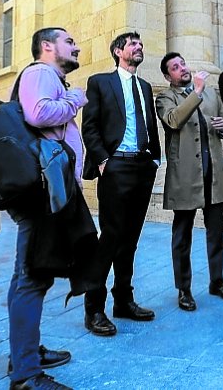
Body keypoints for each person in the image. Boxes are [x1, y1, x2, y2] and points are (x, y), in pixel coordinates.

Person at [10, 27, 84, 390]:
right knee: (32, 277)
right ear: (47, 46)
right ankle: (25, 375)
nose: (76, 46)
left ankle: (24, 352)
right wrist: (75, 101)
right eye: (69, 42)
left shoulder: (46, 76)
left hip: (46, 190)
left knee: (27, 274)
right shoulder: (40, 72)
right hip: (42, 193)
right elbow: (38, 114)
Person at [80, 32, 161, 336]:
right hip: (116, 167)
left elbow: (150, 125)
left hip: (142, 166)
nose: (139, 48)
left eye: (141, 44)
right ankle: (94, 308)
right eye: (133, 44)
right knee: (111, 238)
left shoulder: (145, 86)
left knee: (131, 239)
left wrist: (154, 158)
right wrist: (103, 162)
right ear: (118, 51)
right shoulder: (100, 82)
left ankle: (123, 300)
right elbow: (89, 126)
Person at [154, 53, 223, 312]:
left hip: (213, 173)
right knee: (182, 235)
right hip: (185, 177)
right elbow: (173, 120)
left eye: (183, 64)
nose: (182, 69)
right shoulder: (166, 97)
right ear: (169, 77)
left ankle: (217, 280)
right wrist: (197, 93)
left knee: (217, 232)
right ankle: (184, 288)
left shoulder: (212, 93)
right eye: (175, 68)